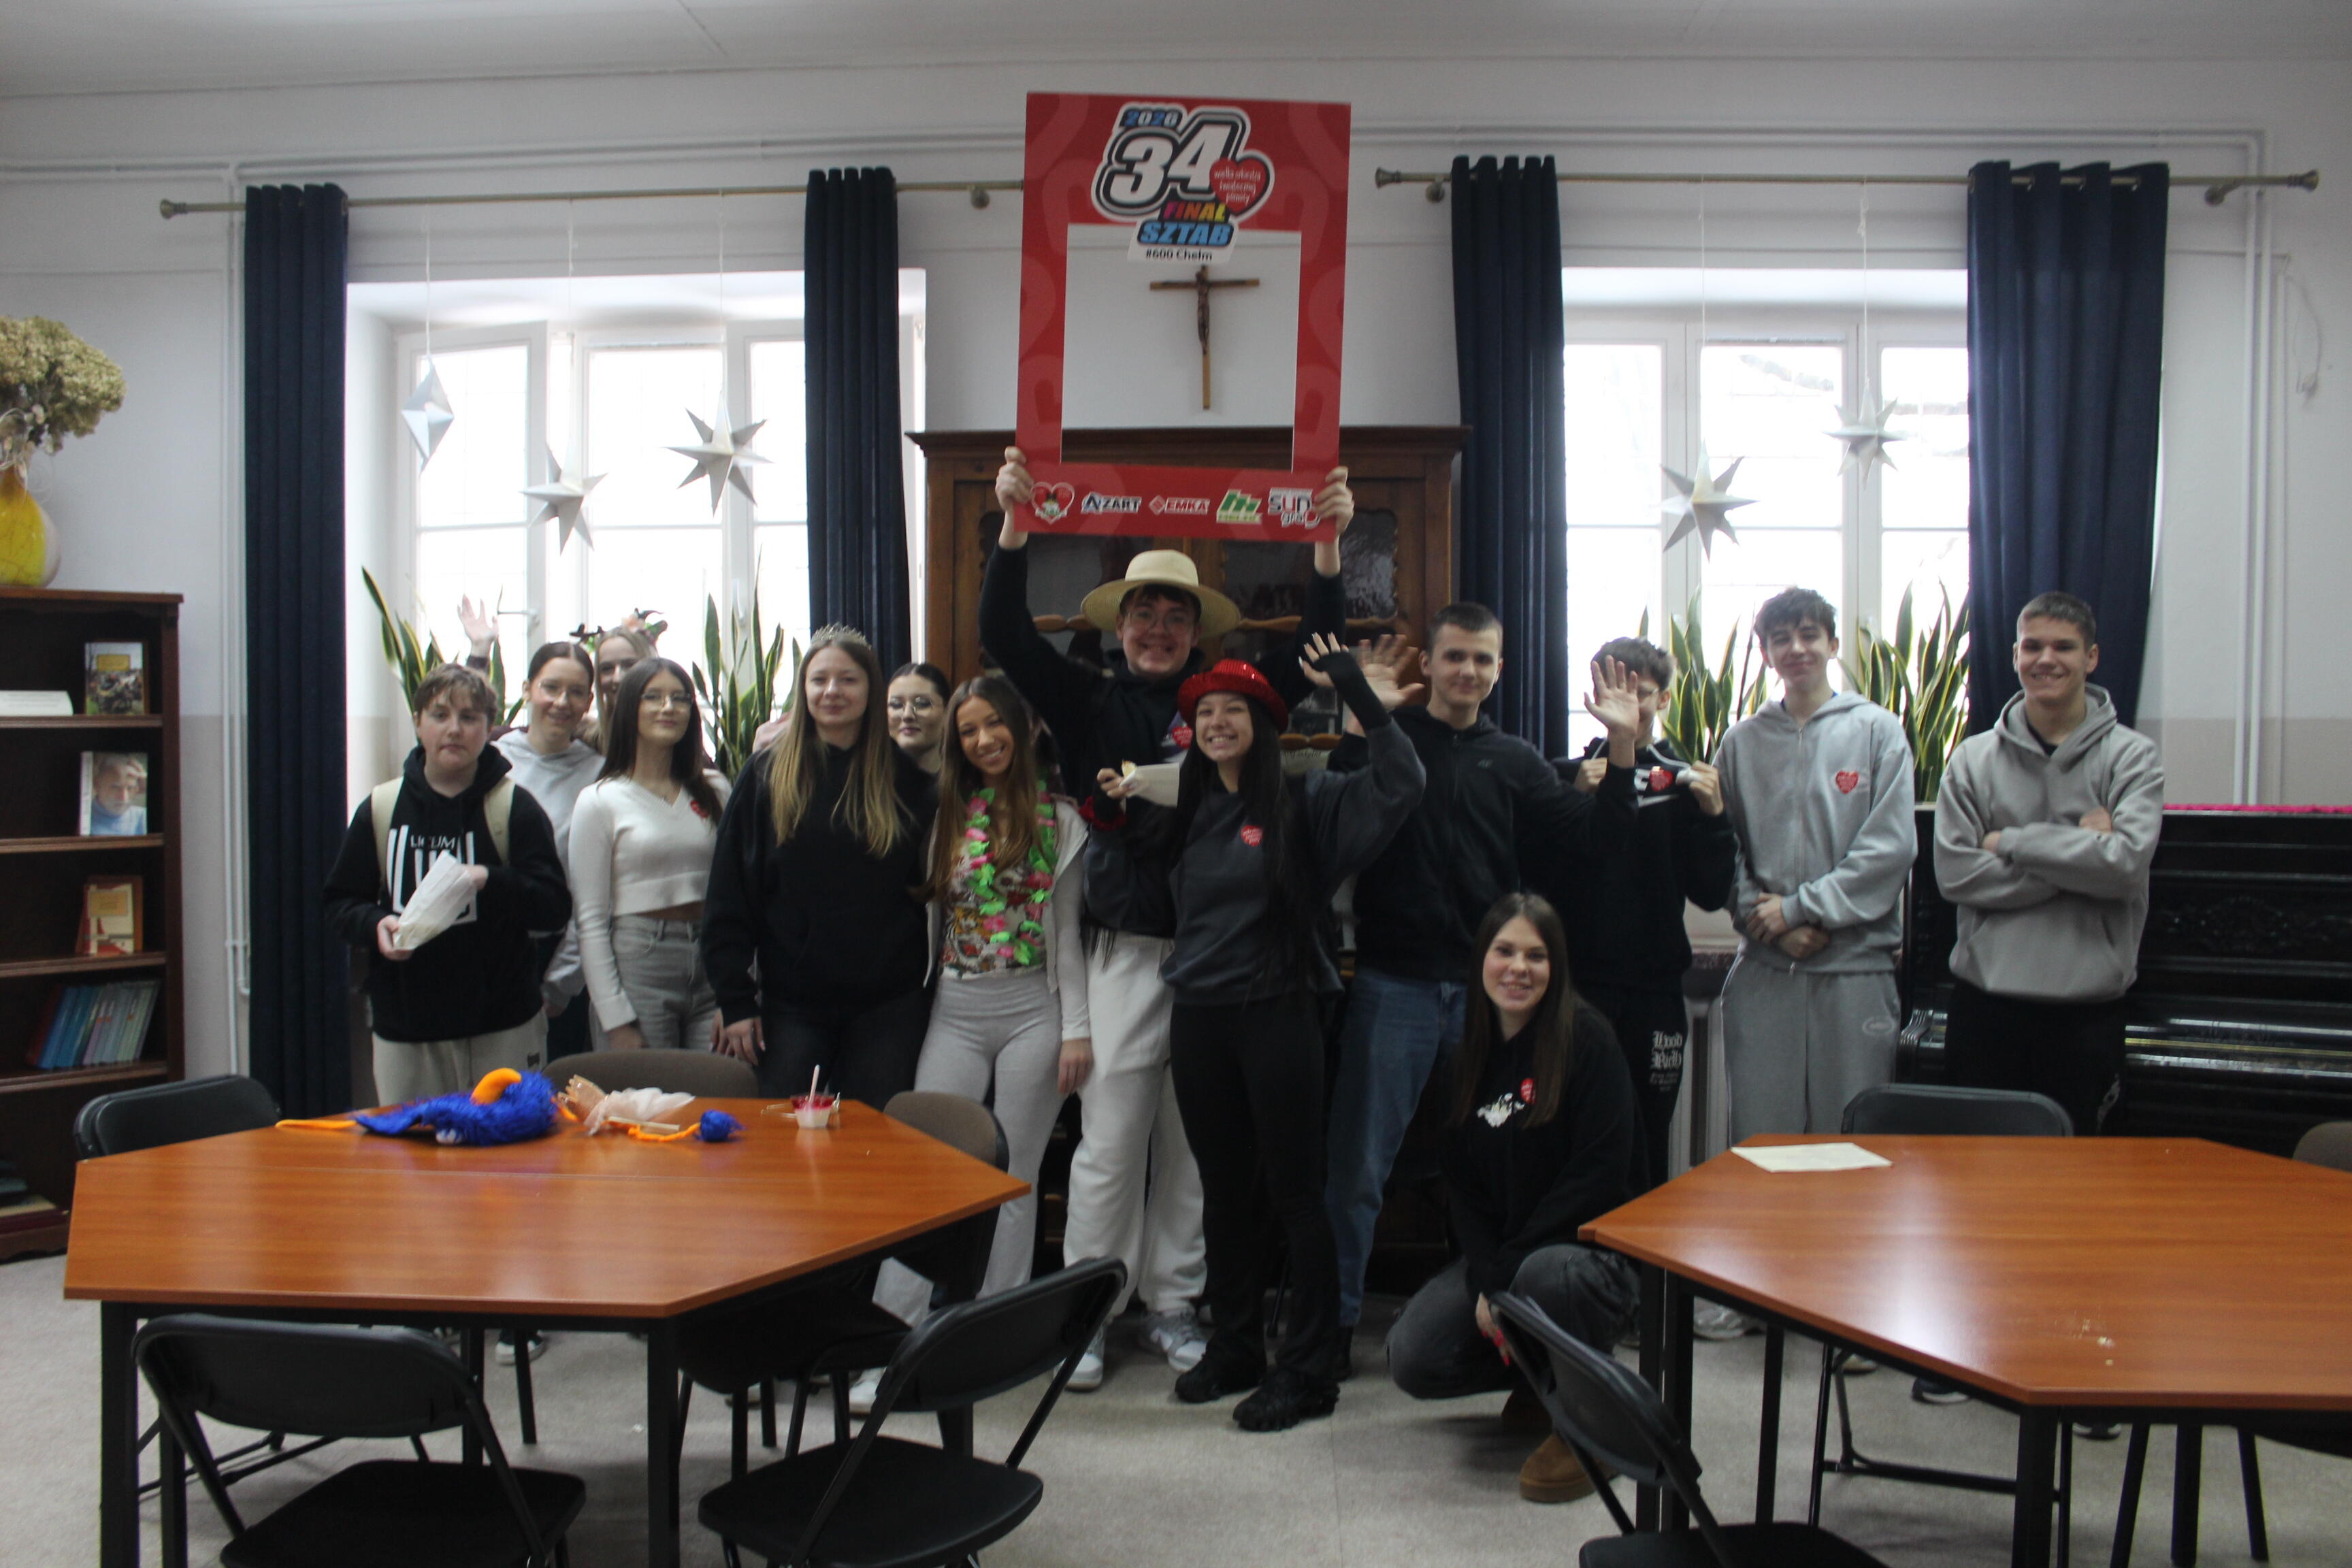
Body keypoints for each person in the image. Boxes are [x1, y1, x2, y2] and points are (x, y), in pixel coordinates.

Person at [985, 446, 1356, 1387]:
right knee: (1111, 1140)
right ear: (1120, 626)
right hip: (1124, 955)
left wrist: (1326, 546)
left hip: (1224, 963)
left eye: (1175, 616)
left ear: (1198, 632)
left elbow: (1318, 647)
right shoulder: (1086, 698)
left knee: (1198, 1152)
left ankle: (1176, 1304)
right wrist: (1016, 527)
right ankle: (1088, 1308)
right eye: (1144, 614)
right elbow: (1004, 634)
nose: (1157, 629)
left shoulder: (1231, 704)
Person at [1091, 634, 1424, 1432]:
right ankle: (1236, 1344)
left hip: (1279, 1013)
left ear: (1264, 724)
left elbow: (1403, 780)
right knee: (1223, 1190)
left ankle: (1308, 1368)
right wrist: (1106, 812)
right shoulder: (1188, 808)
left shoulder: (1309, 801)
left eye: (1232, 711)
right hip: (1199, 1017)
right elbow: (1123, 864)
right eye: (1204, 712)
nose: (1216, 722)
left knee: (1294, 1194)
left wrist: (1358, 694)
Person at [1324, 604, 1643, 1366]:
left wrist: (1624, 748)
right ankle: (1331, 1330)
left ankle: (1501, 1311)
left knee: (1497, 1161)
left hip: (1490, 1002)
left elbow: (1597, 841)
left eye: (1483, 660)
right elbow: (1332, 819)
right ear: (1429, 664)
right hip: (1394, 986)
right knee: (1358, 1170)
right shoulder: (1393, 741)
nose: (1468, 671)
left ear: (1500, 671)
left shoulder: (1516, 760)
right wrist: (1357, 723)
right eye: (1455, 656)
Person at [858, 676, 1093, 1407]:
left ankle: (994, 1336)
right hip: (956, 1009)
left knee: (1014, 1175)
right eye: (969, 730)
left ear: (1025, 728)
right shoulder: (947, 814)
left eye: (996, 724)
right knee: (926, 1168)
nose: (984, 740)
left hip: (1034, 1011)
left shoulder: (1062, 820)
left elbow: (1069, 933)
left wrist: (1077, 1031)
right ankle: (890, 1342)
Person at [1386, 892, 1640, 1505]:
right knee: (1414, 1356)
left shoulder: (1589, 1042)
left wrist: (1504, 1280)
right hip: (1508, 1259)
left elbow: (1598, 1177)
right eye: (1504, 951)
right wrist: (1489, 1279)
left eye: (1536, 955)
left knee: (1546, 1276)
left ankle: (1594, 1423)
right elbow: (1464, 1194)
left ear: (1557, 967)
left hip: (1587, 1261)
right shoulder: (1465, 1061)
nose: (1518, 968)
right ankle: (1541, 1379)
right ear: (1481, 960)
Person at [1933, 591, 2163, 1136]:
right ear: (2015, 655)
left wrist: (2011, 842)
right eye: (2033, 646)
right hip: (1986, 1012)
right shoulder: (1971, 759)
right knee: (1976, 1176)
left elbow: (2125, 868)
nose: (2046, 659)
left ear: (2092, 658)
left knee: (2081, 1180)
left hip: (2086, 1016)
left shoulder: (2133, 757)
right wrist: (2081, 859)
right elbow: (1956, 875)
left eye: (2064, 647)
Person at [702, 625, 936, 1101]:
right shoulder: (766, 775)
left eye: (848, 680)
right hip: (791, 1006)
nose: (833, 691)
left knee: (874, 1138)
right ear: (803, 690)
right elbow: (730, 892)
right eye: (819, 680)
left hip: (888, 1009)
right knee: (778, 1135)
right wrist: (735, 999)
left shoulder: (907, 781)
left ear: (870, 690)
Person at [1716, 587, 1915, 1147]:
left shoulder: (1878, 731)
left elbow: (1890, 847)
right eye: (1782, 639)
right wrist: (1770, 925)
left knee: (1851, 1145)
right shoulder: (1740, 742)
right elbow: (1722, 848)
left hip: (1855, 973)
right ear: (1766, 653)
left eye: (1809, 635)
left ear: (1832, 644)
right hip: (1765, 973)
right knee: (1761, 1147)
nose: (1797, 648)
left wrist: (1800, 909)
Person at [323, 663, 572, 1105]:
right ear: (418, 723)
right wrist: (376, 924)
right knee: (415, 1145)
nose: (454, 729)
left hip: (503, 1027)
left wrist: (488, 879)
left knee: (509, 1144)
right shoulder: (381, 808)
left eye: (469, 717)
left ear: (488, 728)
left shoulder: (514, 807)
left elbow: (553, 907)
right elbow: (340, 903)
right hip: (407, 1031)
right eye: (440, 715)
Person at [1550, 635, 1738, 1192]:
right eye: (1618, 693)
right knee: (1572, 1135)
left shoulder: (1685, 784)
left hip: (1655, 991)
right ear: (1594, 697)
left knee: (1648, 1138)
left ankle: (1637, 1253)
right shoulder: (1563, 776)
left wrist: (1715, 816)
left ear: (1665, 698)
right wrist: (1571, 798)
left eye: (1644, 694)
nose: (1631, 707)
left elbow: (1712, 894)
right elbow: (1540, 882)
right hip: (1577, 989)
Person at [570, 657, 731, 1054]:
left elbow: (738, 894)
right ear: (630, 709)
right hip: (640, 960)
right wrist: (615, 1020)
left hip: (713, 959)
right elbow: (590, 920)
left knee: (719, 1086)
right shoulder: (600, 799)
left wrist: (741, 992)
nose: (668, 708)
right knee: (646, 1090)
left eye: (680, 698)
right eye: (653, 697)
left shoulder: (715, 789)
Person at [493, 641, 602, 1060]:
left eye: (576, 692)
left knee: (554, 1081)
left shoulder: (599, 772)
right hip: (494, 950)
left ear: (589, 702)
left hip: (562, 956)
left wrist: (561, 983)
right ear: (527, 690)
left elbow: (591, 890)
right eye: (551, 688)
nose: (562, 702)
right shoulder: (493, 761)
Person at [885, 662, 952, 773]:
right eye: (896, 705)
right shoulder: (866, 778)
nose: (907, 715)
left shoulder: (969, 780)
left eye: (922, 704)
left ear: (947, 711)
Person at [86, 754, 148, 835]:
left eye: (130, 788)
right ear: (97, 785)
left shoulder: (142, 816)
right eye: (115, 787)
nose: (124, 798)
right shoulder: (83, 818)